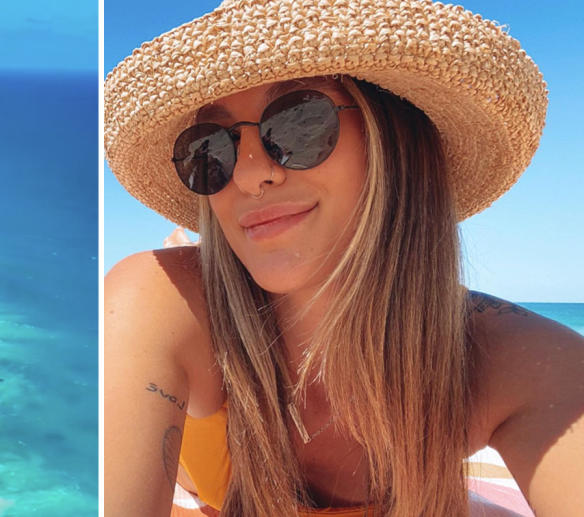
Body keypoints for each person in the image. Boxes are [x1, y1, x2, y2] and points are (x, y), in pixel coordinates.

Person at [101, 1, 584, 516]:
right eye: (210, 150)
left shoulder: (524, 363)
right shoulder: (161, 303)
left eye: (297, 125)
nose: (247, 176)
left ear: (397, 140)